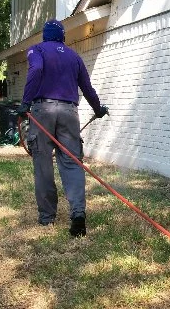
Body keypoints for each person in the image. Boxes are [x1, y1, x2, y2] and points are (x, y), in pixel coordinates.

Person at [18, 19, 108, 237]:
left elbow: (37, 68)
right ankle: (78, 214)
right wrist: (98, 109)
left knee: (43, 164)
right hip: (69, 113)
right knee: (72, 163)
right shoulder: (74, 56)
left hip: (42, 111)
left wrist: (25, 103)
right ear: (63, 37)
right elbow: (87, 87)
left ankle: (47, 217)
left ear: (45, 36)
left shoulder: (36, 50)